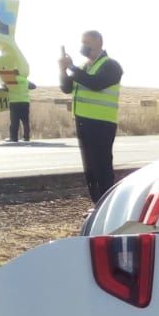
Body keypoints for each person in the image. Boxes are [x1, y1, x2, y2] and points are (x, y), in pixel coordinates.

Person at [59, 31, 123, 203]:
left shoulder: (111, 65)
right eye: (82, 42)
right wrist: (63, 70)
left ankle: (107, 203)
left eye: (87, 42)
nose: (83, 46)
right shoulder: (83, 67)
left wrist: (72, 67)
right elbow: (66, 88)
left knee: (102, 165)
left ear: (99, 42)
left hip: (102, 124)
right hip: (83, 122)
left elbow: (96, 83)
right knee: (90, 168)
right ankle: (97, 204)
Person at [0, 69, 34, 142]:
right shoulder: (24, 80)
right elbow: (34, 86)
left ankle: (13, 138)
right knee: (25, 121)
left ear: (12, 74)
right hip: (25, 102)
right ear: (19, 73)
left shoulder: (11, 81)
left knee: (14, 121)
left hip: (14, 103)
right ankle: (26, 137)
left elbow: (3, 89)